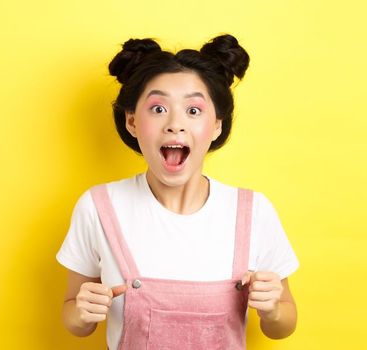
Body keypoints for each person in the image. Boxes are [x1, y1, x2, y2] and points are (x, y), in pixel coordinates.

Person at [57, 34, 299, 349]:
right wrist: (82, 313)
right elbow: (74, 319)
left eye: (193, 111)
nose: (175, 124)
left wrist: (272, 310)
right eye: (158, 109)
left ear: (216, 125)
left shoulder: (253, 211)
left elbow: (284, 324)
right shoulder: (99, 206)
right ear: (131, 121)